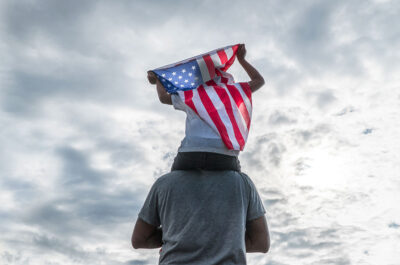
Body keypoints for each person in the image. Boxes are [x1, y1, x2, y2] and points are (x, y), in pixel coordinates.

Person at [132, 44, 270, 264]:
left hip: (189, 155)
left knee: (173, 188)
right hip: (225, 158)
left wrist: (157, 79)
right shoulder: (232, 94)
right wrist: (242, 59)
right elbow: (259, 81)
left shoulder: (195, 95)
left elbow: (163, 97)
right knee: (236, 182)